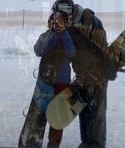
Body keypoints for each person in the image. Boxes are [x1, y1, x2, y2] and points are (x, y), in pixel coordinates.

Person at [51, 0, 117, 148]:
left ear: (72, 10)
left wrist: (101, 71)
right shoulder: (68, 25)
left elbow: (102, 48)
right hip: (82, 76)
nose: (60, 16)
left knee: (96, 113)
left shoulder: (90, 20)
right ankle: (87, 142)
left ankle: (95, 144)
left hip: (97, 75)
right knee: (84, 110)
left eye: (63, 12)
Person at [34, 11, 76, 148]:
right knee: (39, 115)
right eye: (53, 21)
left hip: (61, 83)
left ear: (65, 23)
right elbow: (39, 51)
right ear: (49, 22)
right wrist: (53, 35)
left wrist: (63, 35)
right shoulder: (46, 35)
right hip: (45, 82)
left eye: (59, 21)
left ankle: (53, 145)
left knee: (57, 117)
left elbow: (71, 53)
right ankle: (34, 141)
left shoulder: (68, 37)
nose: (56, 24)